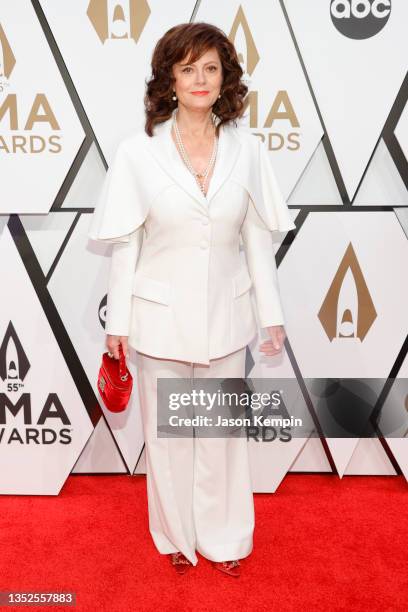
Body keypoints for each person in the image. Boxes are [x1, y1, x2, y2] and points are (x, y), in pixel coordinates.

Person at [88, 22, 295, 577]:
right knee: (171, 438)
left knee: (221, 436)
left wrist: (270, 314)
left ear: (224, 77)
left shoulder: (247, 151)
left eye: (210, 67)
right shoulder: (137, 152)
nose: (199, 79)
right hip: (158, 321)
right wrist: (120, 322)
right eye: (187, 69)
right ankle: (177, 537)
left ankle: (225, 539)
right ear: (169, 80)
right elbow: (127, 242)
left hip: (226, 315)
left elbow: (256, 237)